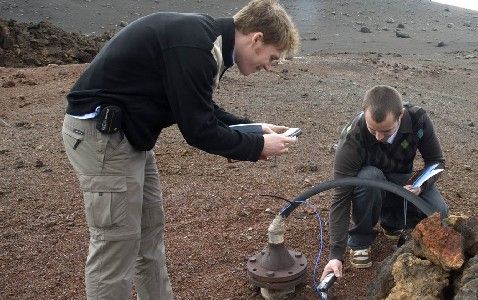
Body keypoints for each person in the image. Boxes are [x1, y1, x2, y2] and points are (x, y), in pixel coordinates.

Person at [60, 0, 299, 299]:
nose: (269, 66)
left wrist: (254, 129)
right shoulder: (195, 46)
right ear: (257, 38)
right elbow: (198, 130)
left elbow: (200, 107)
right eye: (272, 58)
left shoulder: (206, 41)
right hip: (103, 137)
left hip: (129, 138)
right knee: (116, 245)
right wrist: (258, 145)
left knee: (149, 238)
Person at [321, 85, 449, 280]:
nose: (379, 137)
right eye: (373, 130)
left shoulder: (417, 120)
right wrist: (335, 255)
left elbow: (437, 161)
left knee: (439, 211)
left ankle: (393, 222)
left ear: (401, 115)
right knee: (369, 178)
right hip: (370, 184)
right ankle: (360, 240)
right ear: (364, 113)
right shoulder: (353, 136)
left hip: (403, 179)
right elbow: (341, 195)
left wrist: (420, 185)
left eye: (387, 131)